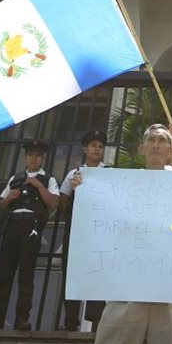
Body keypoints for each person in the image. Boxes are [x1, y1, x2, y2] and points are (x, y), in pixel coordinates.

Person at [88, 123, 172, 344]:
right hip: (128, 282)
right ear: (141, 148)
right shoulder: (122, 186)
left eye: (162, 141)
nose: (156, 145)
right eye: (151, 140)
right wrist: (84, 186)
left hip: (170, 285)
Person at [0, 140, 60, 331]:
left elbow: (54, 202)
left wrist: (39, 186)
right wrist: (10, 198)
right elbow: (2, 203)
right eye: (30, 155)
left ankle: (22, 317)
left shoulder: (48, 179)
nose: (34, 159)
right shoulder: (16, 177)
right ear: (25, 157)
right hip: (13, 223)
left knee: (26, 272)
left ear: (43, 158)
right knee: (4, 271)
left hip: (31, 224)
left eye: (37, 155)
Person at [59, 129, 109, 331]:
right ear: (85, 149)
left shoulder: (109, 172)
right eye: (93, 145)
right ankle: (70, 321)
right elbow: (62, 202)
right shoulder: (74, 173)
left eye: (100, 146)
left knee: (98, 273)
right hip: (77, 231)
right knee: (71, 273)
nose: (97, 149)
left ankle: (96, 322)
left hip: (100, 232)